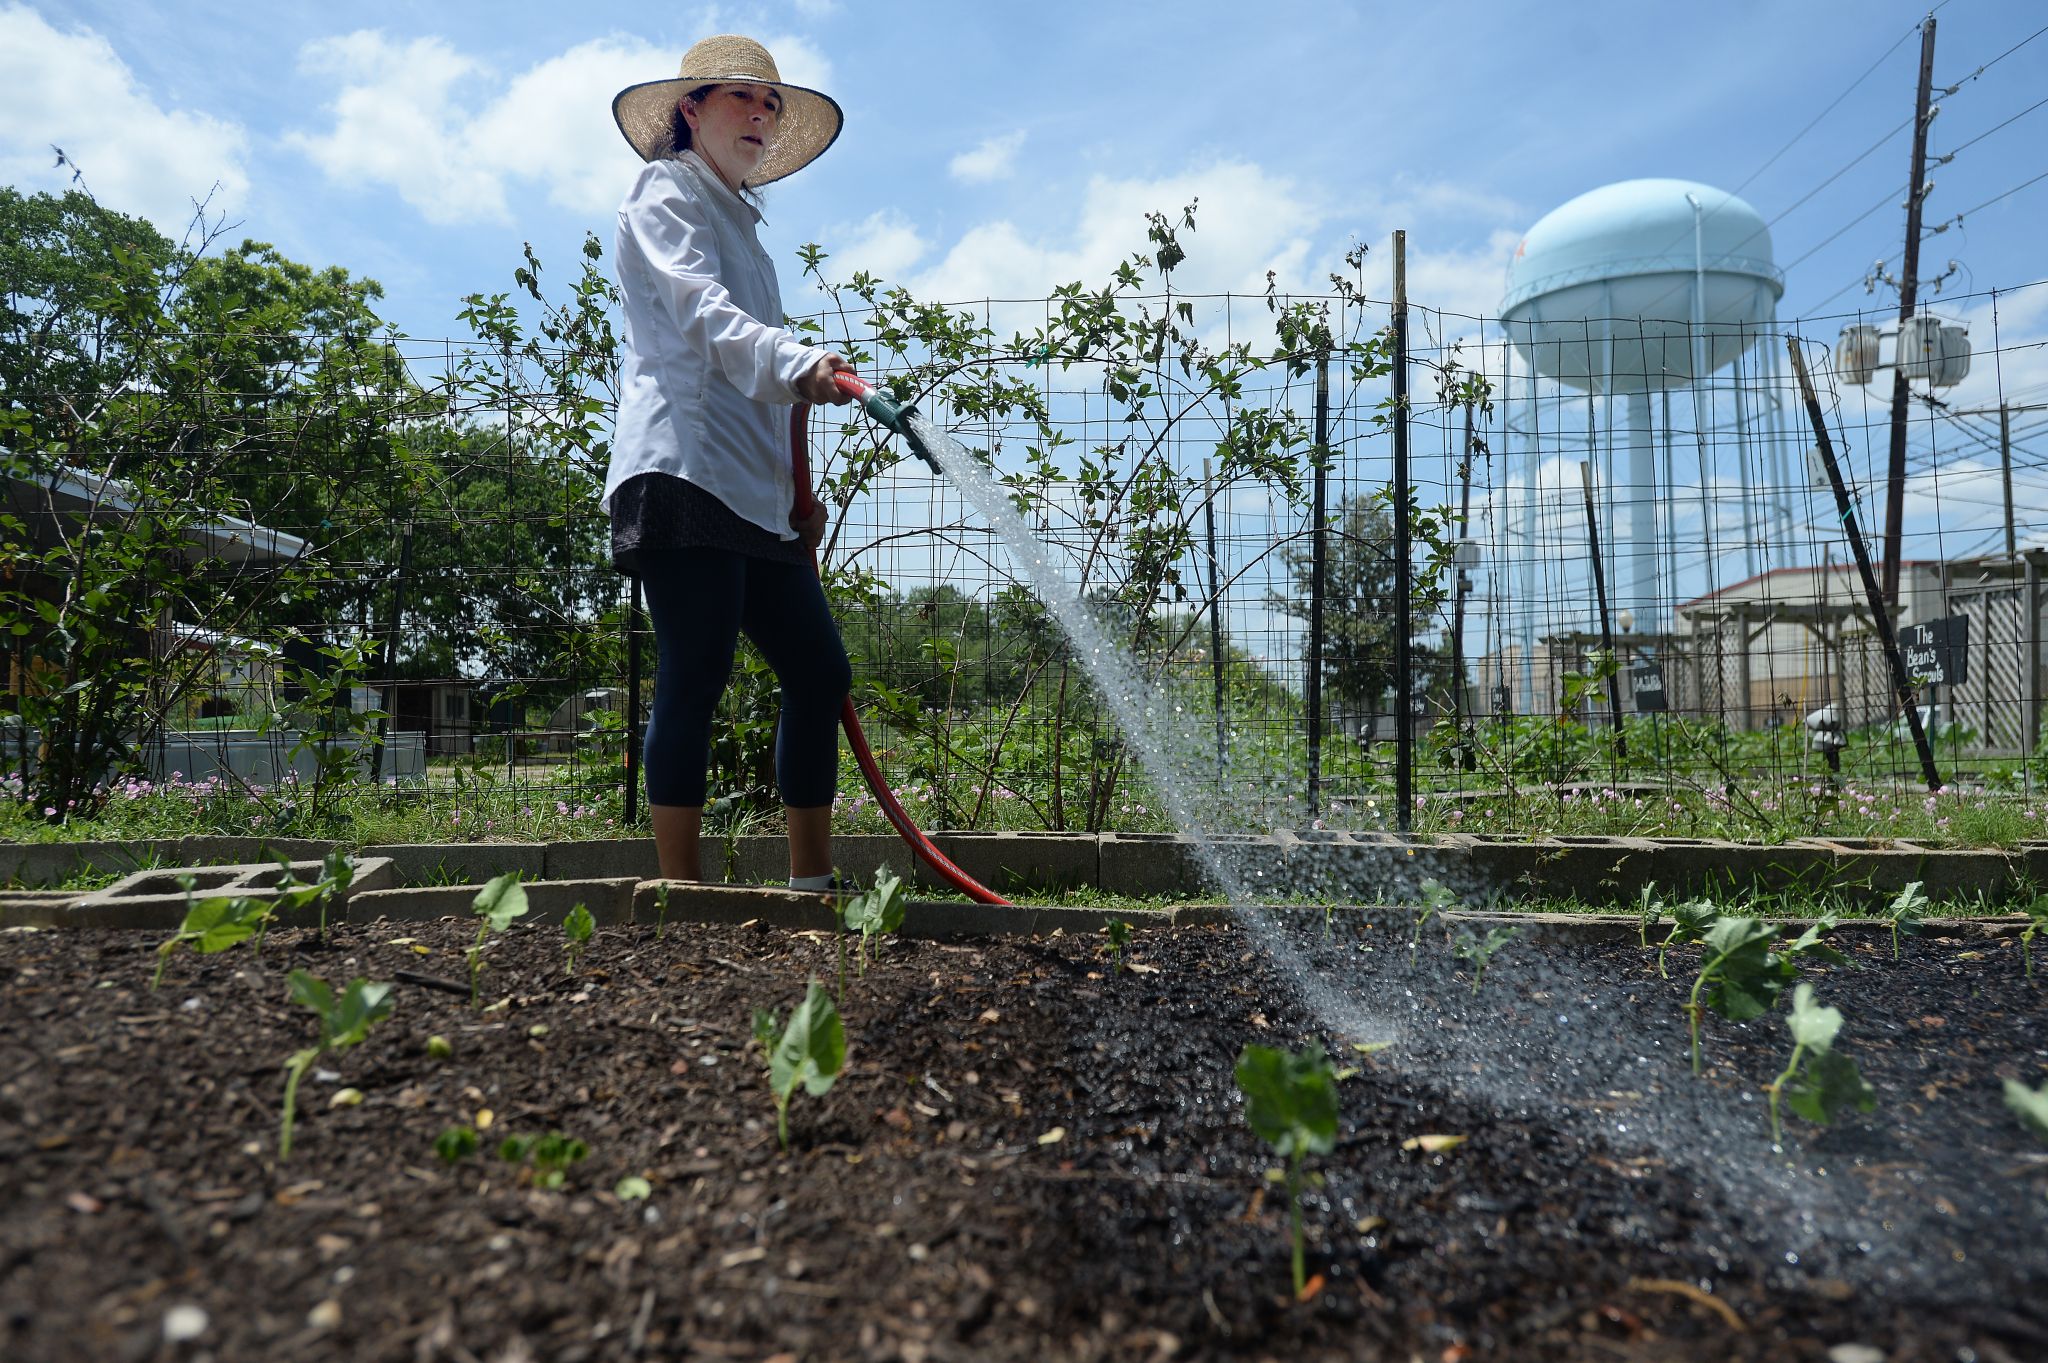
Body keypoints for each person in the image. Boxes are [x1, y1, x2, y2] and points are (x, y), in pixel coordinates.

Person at [606, 35, 855, 889]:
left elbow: (769, 376)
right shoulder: (666, 190)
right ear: (691, 109)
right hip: (683, 467)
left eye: (771, 104)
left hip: (757, 491)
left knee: (821, 672)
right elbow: (702, 316)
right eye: (742, 98)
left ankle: (812, 886)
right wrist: (797, 363)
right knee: (698, 667)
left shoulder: (749, 231)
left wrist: (801, 491)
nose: (761, 114)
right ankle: (680, 892)